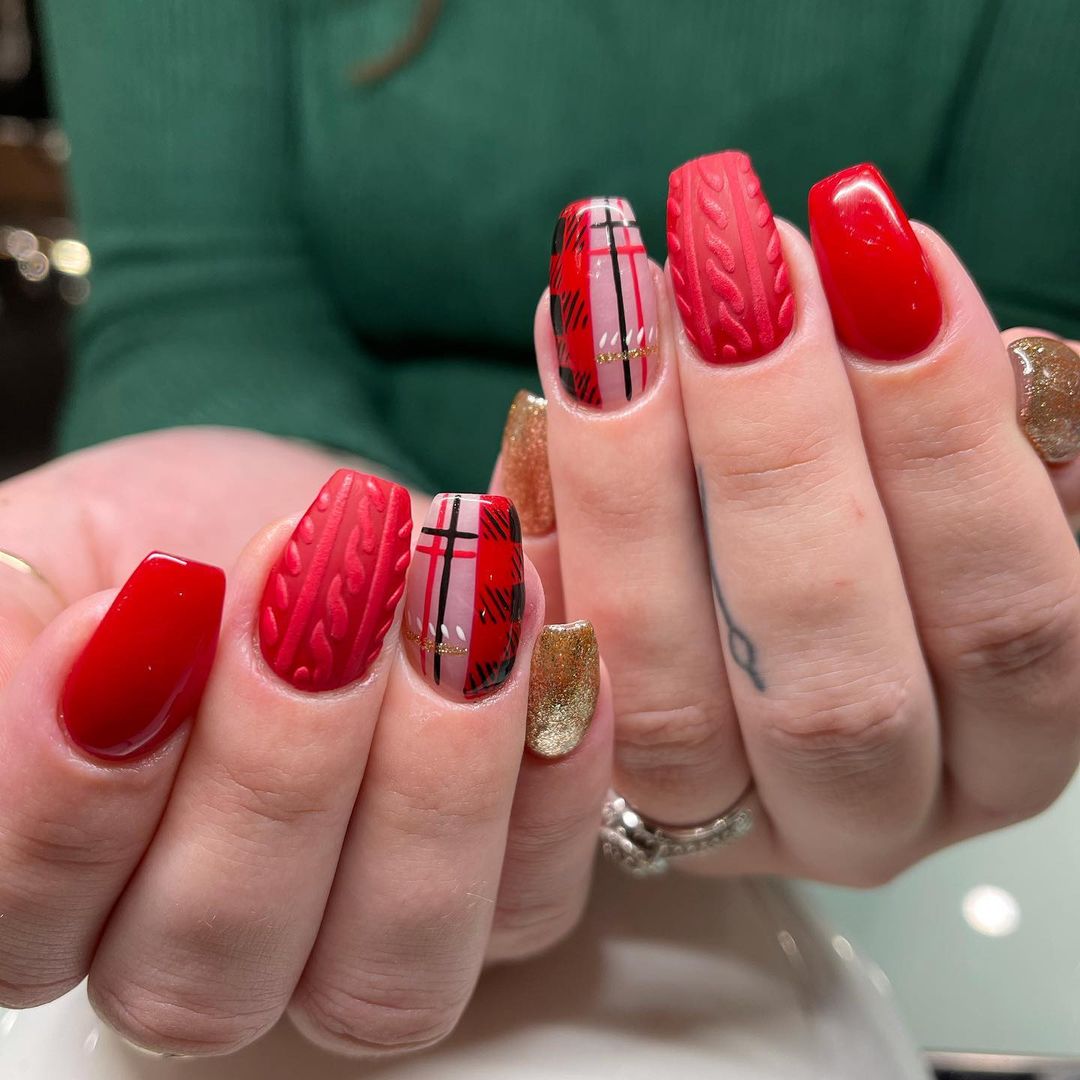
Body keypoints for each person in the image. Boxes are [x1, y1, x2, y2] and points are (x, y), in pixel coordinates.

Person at [1, 0, 1078, 1061]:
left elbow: (1026, 340)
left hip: (908, 849)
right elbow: (201, 296)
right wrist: (288, 507)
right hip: (377, 603)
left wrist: (980, 524)